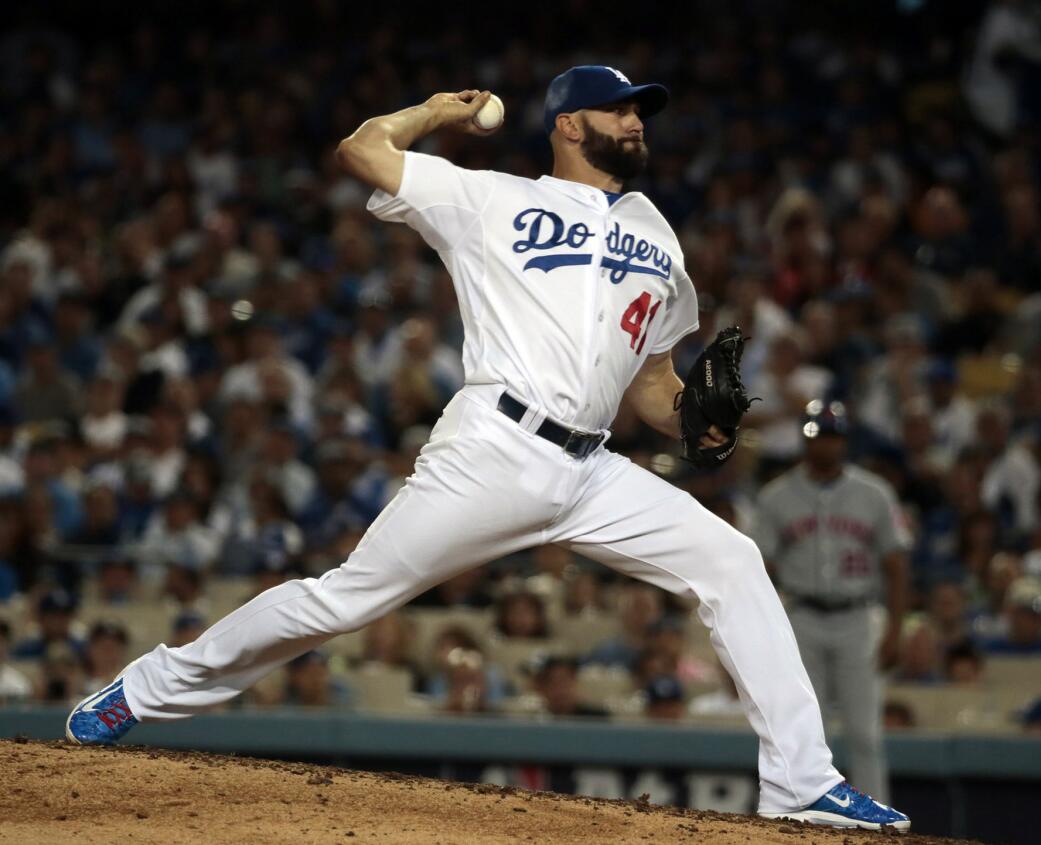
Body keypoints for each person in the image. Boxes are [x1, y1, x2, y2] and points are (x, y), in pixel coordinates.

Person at [65, 66, 907, 831]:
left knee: (731, 559)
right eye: (618, 108)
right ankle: (146, 687)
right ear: (569, 125)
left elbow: (653, 385)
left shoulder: (660, 237)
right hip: (495, 447)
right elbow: (362, 149)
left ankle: (801, 782)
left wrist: (700, 419)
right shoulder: (490, 199)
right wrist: (434, 110)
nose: (636, 121)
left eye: (640, 111)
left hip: (593, 469)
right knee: (344, 600)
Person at [754, 399, 911, 806]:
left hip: (858, 617)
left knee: (864, 732)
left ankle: (879, 829)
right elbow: (761, 570)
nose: (824, 444)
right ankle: (810, 816)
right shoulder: (776, 496)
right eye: (816, 435)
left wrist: (896, 629)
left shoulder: (875, 494)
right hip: (802, 617)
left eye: (831, 435)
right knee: (807, 731)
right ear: (804, 439)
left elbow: (896, 565)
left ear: (844, 440)